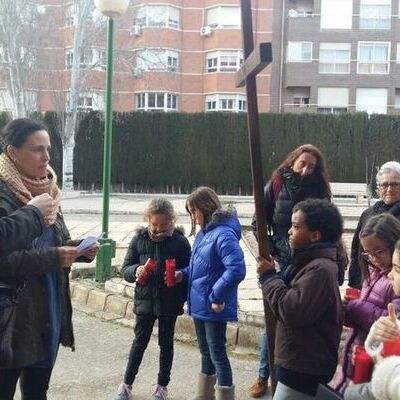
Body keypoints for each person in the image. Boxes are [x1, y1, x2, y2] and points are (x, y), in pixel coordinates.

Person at [0, 118, 98, 400]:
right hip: (13, 316)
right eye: (37, 150)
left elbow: (55, 242)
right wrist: (53, 257)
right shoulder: (3, 193)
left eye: (49, 149)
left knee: (38, 392)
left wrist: (77, 250)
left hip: (49, 308)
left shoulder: (49, 191)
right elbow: (4, 260)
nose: (46, 157)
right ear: (13, 152)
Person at [249, 144, 335, 398]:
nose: (307, 170)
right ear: (292, 161)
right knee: (274, 315)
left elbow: (327, 226)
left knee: (294, 315)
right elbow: (258, 222)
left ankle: (288, 374)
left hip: (308, 261)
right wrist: (272, 252)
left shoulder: (319, 190)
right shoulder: (276, 185)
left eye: (312, 166)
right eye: (303, 164)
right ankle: (264, 374)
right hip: (281, 260)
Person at [257, 198, 343, 400]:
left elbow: (291, 310)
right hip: (298, 362)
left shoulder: (320, 269)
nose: (289, 231)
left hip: (303, 366)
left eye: (296, 227)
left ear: (314, 235)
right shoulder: (310, 264)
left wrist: (269, 279)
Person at [113, 198, 191, 400]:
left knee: (166, 345)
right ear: (148, 220)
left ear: (171, 221)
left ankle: (162, 386)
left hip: (169, 302)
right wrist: (135, 270)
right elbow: (126, 268)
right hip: (145, 302)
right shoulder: (139, 239)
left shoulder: (180, 242)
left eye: (163, 225)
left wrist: (180, 274)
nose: (158, 230)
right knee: (139, 342)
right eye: (154, 225)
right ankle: (127, 384)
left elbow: (190, 269)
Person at [176, 186, 246, 400]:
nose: (193, 217)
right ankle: (204, 395)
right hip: (200, 305)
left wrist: (217, 296)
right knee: (206, 351)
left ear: (205, 208)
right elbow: (202, 267)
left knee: (217, 354)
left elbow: (236, 269)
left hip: (214, 305)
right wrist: (184, 274)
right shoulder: (204, 233)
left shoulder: (223, 234)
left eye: (194, 211)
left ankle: (224, 395)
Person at [335, 213, 400, 393]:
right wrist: (349, 310)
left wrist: (356, 307)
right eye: (368, 253)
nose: (373, 258)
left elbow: (391, 323)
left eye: (379, 252)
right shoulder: (372, 272)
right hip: (357, 354)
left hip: (376, 367)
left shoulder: (395, 281)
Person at [349, 161, 400, 289]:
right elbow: (357, 250)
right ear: (378, 188)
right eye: (384, 185)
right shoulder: (368, 214)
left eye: (395, 184)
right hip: (368, 283)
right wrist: (356, 284)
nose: (389, 189)